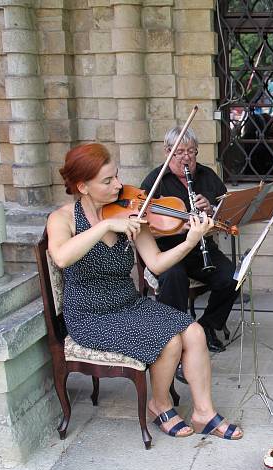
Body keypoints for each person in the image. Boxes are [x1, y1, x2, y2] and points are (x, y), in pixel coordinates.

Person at [47, 143, 242, 440]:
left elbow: (157, 263)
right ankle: (160, 404)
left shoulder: (130, 209)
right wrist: (106, 226)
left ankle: (204, 413)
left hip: (128, 303)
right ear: (82, 186)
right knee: (170, 342)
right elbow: (61, 257)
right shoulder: (64, 218)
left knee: (194, 333)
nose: (119, 185)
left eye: (116, 176)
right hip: (90, 314)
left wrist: (190, 241)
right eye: (108, 181)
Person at [141, 128, 240, 357]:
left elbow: (227, 215)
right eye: (180, 152)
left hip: (201, 248)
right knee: (174, 277)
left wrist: (212, 209)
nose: (187, 157)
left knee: (232, 277)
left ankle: (207, 326)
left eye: (192, 151)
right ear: (168, 152)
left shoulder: (207, 176)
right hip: (168, 249)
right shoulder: (155, 182)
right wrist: (176, 227)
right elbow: (142, 224)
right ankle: (174, 336)